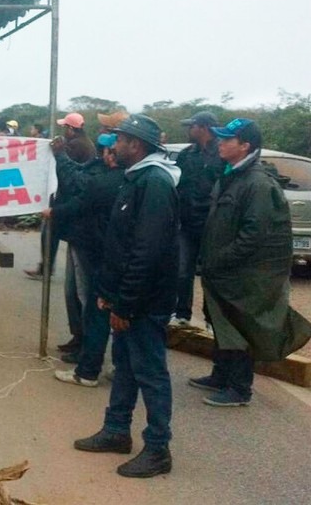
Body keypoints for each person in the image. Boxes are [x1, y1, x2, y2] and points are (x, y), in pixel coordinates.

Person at [73, 113, 180, 478]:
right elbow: (120, 245)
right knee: (125, 367)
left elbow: (146, 252)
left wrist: (126, 304)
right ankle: (117, 430)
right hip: (127, 296)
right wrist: (107, 293)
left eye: (119, 139)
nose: (113, 144)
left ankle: (158, 448)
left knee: (149, 372)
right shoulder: (136, 178)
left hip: (144, 301)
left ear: (136, 144)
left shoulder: (155, 183)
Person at [193, 118, 311, 406]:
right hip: (223, 269)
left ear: (245, 146)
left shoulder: (257, 183)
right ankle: (221, 375)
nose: (220, 143)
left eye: (227, 140)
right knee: (220, 320)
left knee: (240, 326)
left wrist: (220, 260)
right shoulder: (233, 175)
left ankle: (239, 388)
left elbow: (252, 236)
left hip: (242, 273)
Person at [52, 133, 125, 385]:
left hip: (98, 249)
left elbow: (80, 191)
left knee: (97, 306)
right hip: (106, 248)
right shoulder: (127, 177)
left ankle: (89, 368)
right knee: (97, 304)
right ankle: (100, 360)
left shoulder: (108, 180)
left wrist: (53, 212)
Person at [24, 112, 96, 281]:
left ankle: (46, 268)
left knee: (50, 231)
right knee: (52, 232)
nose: (63, 130)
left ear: (71, 129)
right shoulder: (85, 143)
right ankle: (46, 267)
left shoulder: (76, 146)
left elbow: (64, 168)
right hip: (74, 193)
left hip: (71, 195)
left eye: (65, 127)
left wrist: (58, 153)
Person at [172, 111, 221, 325]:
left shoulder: (221, 153)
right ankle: (182, 314)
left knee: (211, 275)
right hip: (187, 223)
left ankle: (211, 319)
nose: (188, 130)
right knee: (183, 271)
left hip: (211, 225)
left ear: (203, 127)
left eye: (192, 126)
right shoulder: (186, 155)